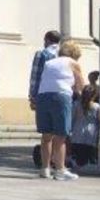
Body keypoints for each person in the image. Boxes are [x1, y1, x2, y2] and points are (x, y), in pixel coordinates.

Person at [36, 39, 86, 180]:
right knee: (60, 136)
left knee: (46, 136)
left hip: (43, 97)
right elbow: (81, 87)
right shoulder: (73, 63)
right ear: (75, 54)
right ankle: (60, 170)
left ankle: (45, 169)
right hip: (60, 97)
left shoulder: (49, 62)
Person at [29, 30, 61, 163]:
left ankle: (46, 163)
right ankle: (58, 161)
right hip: (62, 95)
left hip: (44, 94)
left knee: (46, 133)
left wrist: (32, 96)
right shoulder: (63, 54)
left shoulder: (42, 54)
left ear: (47, 40)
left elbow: (35, 76)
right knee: (60, 132)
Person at [69, 84, 100, 172]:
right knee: (90, 161)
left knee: (78, 160)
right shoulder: (97, 107)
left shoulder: (76, 104)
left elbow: (71, 119)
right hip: (91, 137)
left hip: (77, 136)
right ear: (95, 95)